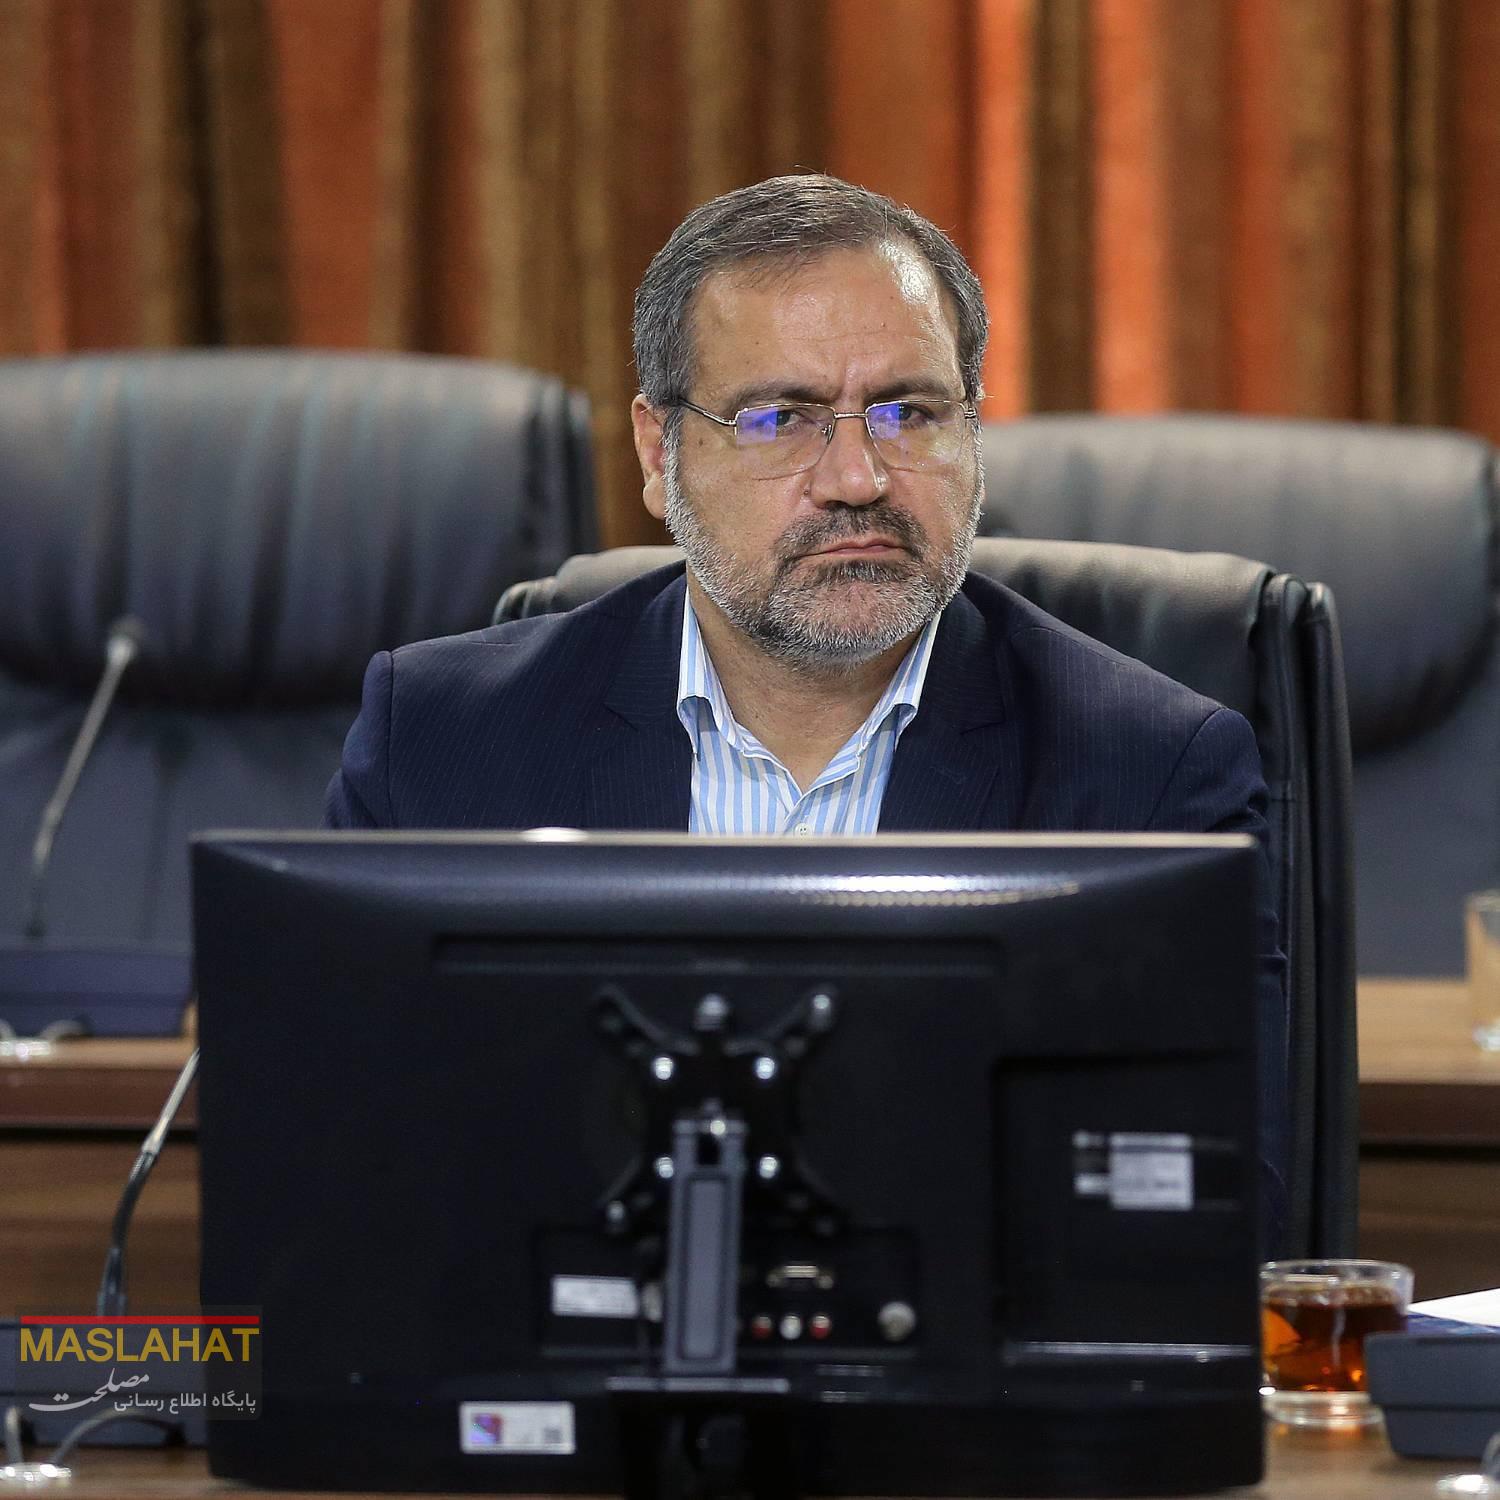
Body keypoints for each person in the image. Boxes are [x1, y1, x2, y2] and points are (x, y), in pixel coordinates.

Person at [325, 173, 1286, 1241]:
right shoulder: (443, 744)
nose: (857, 478)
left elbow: (1212, 1224)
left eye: (909, 412)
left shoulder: (1150, 776)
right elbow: (337, 1181)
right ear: (659, 455)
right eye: (781, 418)